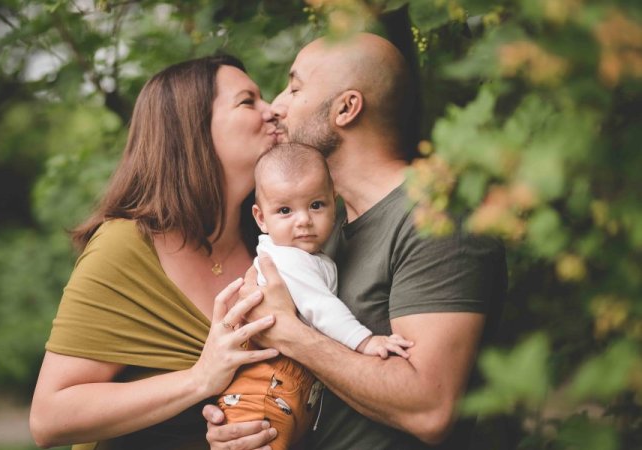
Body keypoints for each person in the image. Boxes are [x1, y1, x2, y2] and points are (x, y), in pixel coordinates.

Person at [204, 33, 507, 450]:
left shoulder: (436, 218)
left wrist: (288, 333)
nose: (277, 106)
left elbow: (430, 409)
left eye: (295, 88)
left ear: (346, 108)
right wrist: (248, 418)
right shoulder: (324, 230)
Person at [29, 54, 285, 450]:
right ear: (193, 129)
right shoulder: (125, 246)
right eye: (248, 101)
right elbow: (49, 417)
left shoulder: (271, 244)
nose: (275, 110)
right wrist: (200, 378)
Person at [217, 143, 414, 450]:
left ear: (333, 202)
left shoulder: (311, 256)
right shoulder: (286, 259)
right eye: (285, 210)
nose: (303, 220)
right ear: (261, 218)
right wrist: (366, 341)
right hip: (265, 387)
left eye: (316, 205)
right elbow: (321, 309)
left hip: (285, 386)